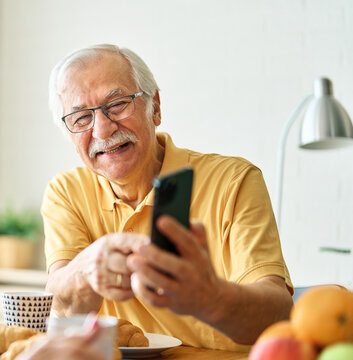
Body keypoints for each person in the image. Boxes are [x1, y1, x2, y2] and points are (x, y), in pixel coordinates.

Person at [42, 43, 294, 351]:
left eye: (118, 104)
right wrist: (88, 268)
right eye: (81, 118)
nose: (103, 130)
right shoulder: (66, 192)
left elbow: (278, 314)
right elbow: (61, 308)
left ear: (155, 107)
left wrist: (210, 297)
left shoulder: (233, 180)